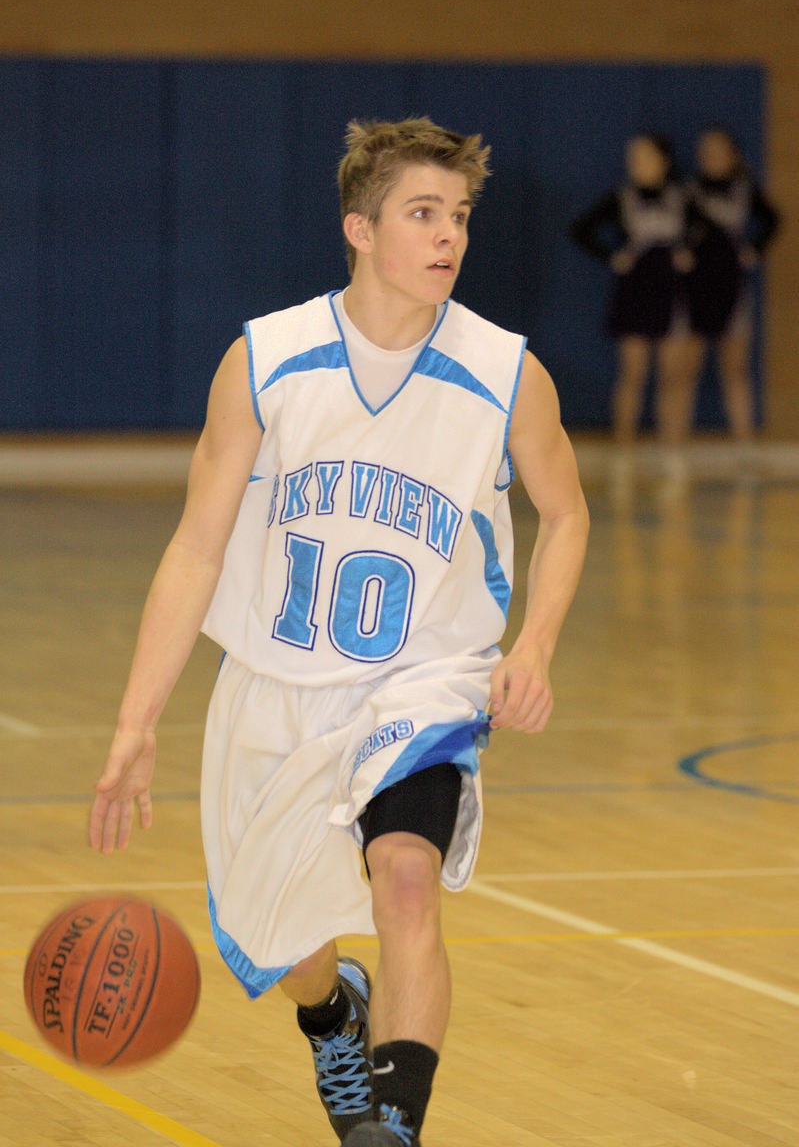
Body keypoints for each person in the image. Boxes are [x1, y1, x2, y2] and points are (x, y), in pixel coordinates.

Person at [89, 117, 589, 1147]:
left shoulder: (504, 374)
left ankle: (391, 1127)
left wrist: (532, 643)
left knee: (405, 875)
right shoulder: (268, 361)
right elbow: (194, 549)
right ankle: (331, 1012)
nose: (447, 235)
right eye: (421, 214)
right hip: (274, 684)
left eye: (457, 216)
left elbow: (568, 511)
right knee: (284, 949)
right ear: (359, 229)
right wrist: (137, 722)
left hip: (425, 678)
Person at [571, 134, 695, 444]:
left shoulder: (682, 198)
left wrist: (687, 251)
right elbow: (581, 228)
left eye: (644, 157)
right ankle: (623, 446)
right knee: (633, 373)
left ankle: (673, 448)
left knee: (672, 375)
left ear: (664, 161)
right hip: (635, 290)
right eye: (633, 158)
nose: (635, 164)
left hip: (670, 291)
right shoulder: (622, 197)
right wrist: (613, 256)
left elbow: (711, 232)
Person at [683, 126, 780, 441]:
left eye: (717, 151)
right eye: (705, 151)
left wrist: (753, 249)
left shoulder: (745, 190)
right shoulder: (687, 191)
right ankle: (673, 447)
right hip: (693, 289)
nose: (709, 158)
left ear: (733, 155)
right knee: (684, 370)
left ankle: (744, 443)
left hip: (730, 286)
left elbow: (772, 221)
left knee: (735, 369)